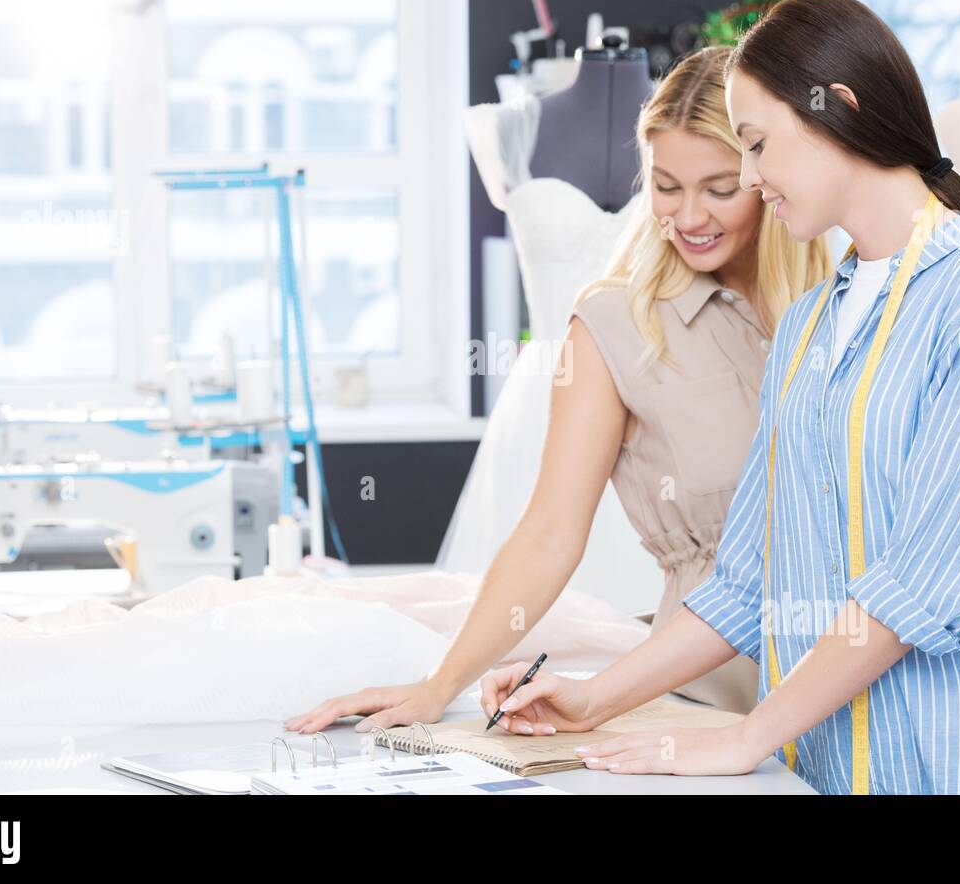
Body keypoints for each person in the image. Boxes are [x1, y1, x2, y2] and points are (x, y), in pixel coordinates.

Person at [478, 0, 960, 796]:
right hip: (874, 770)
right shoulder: (809, 329)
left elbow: (925, 581)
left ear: (838, 109)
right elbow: (745, 582)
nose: (749, 177)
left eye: (758, 145)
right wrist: (594, 699)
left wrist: (750, 735)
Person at [283, 46, 830, 735]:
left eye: (720, 189)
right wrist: (437, 687)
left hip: (856, 675)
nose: (689, 216)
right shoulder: (614, 327)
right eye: (665, 187)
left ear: (765, 174)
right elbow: (549, 532)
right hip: (711, 695)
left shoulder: (836, 300)